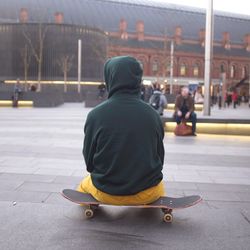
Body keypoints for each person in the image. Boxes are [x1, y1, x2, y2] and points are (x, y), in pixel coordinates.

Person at [77, 56, 165, 205]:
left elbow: (89, 162)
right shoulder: (153, 115)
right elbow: (159, 158)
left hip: (106, 192)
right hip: (147, 193)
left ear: (110, 78)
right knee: (160, 187)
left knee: (83, 186)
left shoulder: (95, 115)